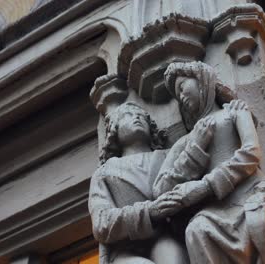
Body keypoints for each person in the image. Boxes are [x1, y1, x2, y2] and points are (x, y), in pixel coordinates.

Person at [153, 62, 265, 264]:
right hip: (218, 211)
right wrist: (193, 151)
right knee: (196, 230)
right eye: (177, 95)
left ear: (202, 79)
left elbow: (251, 152)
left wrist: (206, 185)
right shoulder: (186, 141)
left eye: (182, 87)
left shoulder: (234, 112)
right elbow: (160, 190)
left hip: (253, 194)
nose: (181, 97)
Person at [88, 102, 214, 264]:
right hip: (126, 250)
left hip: (166, 237)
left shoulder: (167, 156)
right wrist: (149, 212)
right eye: (128, 115)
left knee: (174, 258)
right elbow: (102, 223)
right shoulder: (105, 173)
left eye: (141, 116)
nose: (137, 118)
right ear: (114, 129)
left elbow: (187, 175)